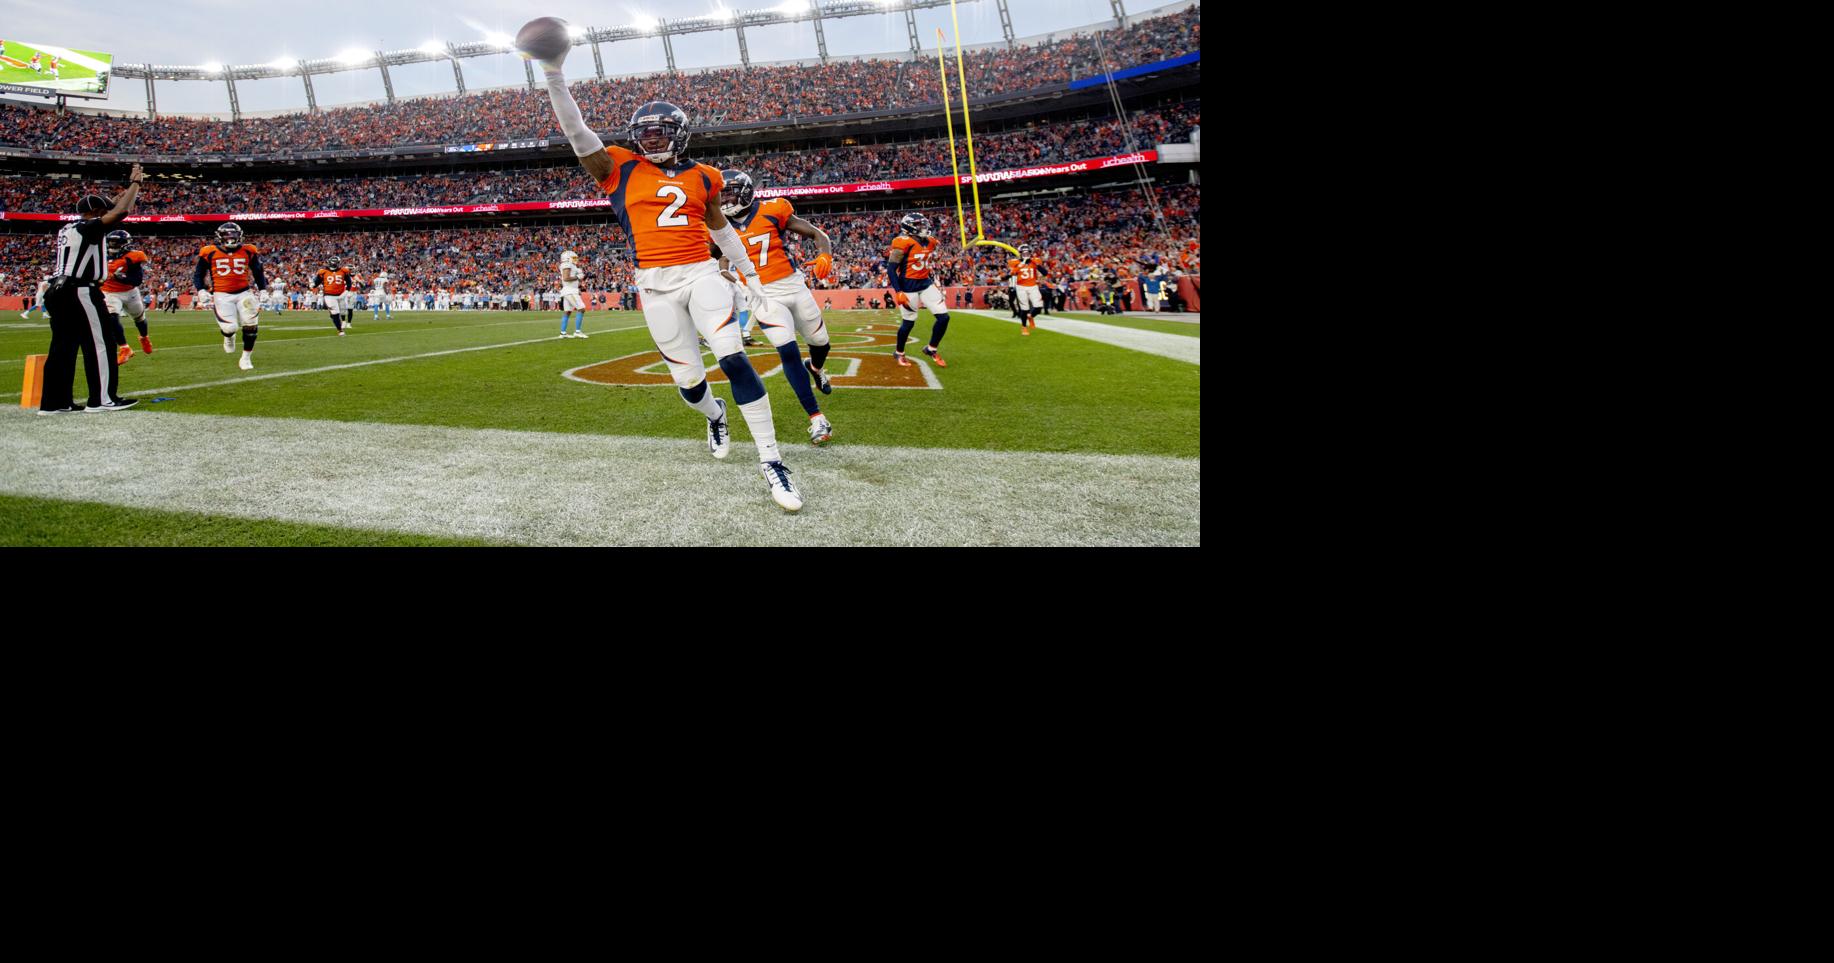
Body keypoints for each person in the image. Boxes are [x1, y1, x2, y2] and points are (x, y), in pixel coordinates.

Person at [538, 41, 802, 511]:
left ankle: (772, 460)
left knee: (733, 357)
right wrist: (554, 74)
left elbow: (721, 231)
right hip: (653, 285)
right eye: (647, 132)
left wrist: (751, 279)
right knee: (690, 386)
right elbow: (577, 132)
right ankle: (715, 414)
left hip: (701, 274)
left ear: (678, 133)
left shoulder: (705, 176)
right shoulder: (618, 167)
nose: (653, 139)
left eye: (660, 132)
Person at [712, 168, 836, 445]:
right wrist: (722, 272)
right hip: (762, 295)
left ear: (745, 191)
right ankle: (816, 418)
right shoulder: (719, 226)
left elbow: (818, 235)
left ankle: (815, 367)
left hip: (793, 285)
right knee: (787, 351)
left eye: (729, 193)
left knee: (820, 342)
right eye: (721, 195)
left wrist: (824, 254)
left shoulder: (773, 209)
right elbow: (714, 257)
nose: (725, 200)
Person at [37, 164, 146, 415]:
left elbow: (112, 205)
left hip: (58, 290)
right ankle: (103, 399)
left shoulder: (68, 228)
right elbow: (121, 211)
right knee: (100, 343)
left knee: (62, 347)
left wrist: (125, 190)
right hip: (81, 290)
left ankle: (55, 403)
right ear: (96, 212)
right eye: (102, 211)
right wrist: (136, 184)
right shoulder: (89, 227)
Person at [194, 221, 268, 371]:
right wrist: (201, 289)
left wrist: (263, 289)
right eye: (227, 235)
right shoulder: (209, 252)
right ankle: (228, 336)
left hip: (244, 293)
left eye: (233, 235)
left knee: (251, 324)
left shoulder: (248, 250)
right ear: (220, 237)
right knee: (230, 328)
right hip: (222, 295)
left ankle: (246, 358)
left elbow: (258, 271)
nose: (230, 238)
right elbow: (199, 274)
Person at [100, 229, 155, 358]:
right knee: (111, 318)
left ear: (126, 243)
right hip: (109, 292)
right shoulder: (101, 255)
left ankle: (144, 337)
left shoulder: (133, 256)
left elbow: (137, 281)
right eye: (111, 242)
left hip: (129, 292)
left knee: (139, 318)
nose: (113, 245)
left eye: (116, 242)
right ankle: (124, 348)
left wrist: (119, 277)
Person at [1009, 244, 1049, 334]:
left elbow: (1045, 273)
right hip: (1021, 287)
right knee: (1024, 308)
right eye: (1024, 253)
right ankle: (1024, 327)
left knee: (1038, 307)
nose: (1026, 255)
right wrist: (1021, 264)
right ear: (1020, 253)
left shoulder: (1035, 261)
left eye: (1028, 253)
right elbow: (1012, 273)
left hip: (1033, 286)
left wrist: (1037, 265)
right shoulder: (1015, 262)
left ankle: (1030, 316)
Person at [314, 256, 356, 334]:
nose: (334, 264)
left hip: (341, 294)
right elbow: (316, 282)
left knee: (342, 311)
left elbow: (349, 282)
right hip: (329, 295)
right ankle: (340, 330)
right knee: (335, 312)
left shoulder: (343, 271)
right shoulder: (323, 272)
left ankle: (339, 322)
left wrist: (346, 292)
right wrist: (313, 284)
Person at [558, 250, 588, 337]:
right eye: (574, 258)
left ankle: (563, 333)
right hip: (570, 290)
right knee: (581, 308)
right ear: (568, 258)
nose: (575, 259)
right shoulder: (567, 264)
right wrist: (578, 277)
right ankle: (577, 332)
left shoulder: (571, 265)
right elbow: (566, 278)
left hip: (570, 289)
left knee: (567, 312)